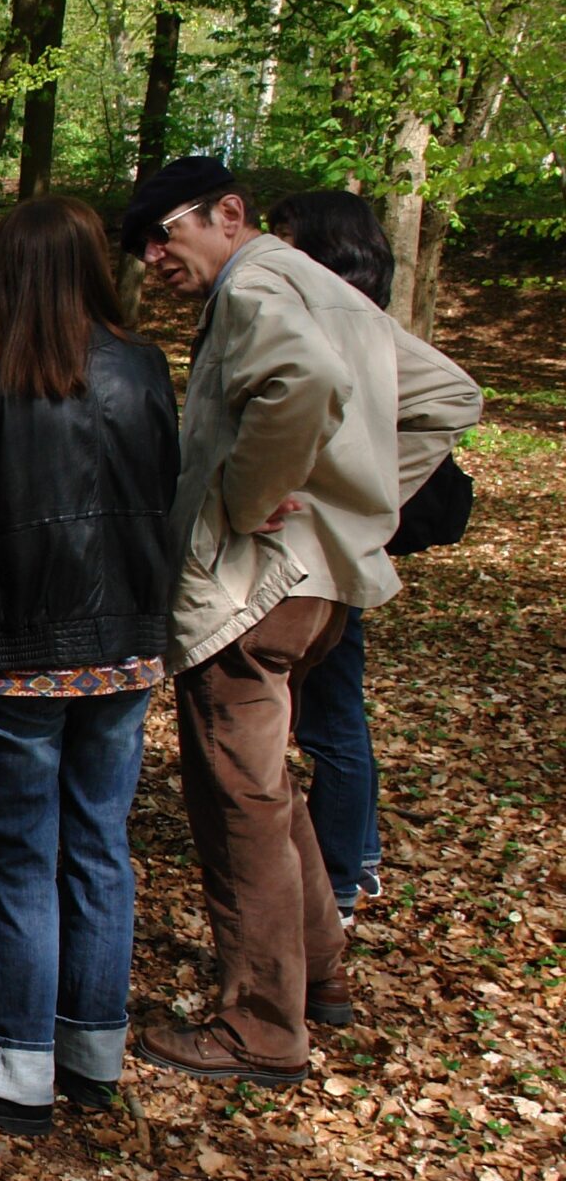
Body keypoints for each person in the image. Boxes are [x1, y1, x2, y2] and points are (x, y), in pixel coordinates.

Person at [125, 157, 478, 1086]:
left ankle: (261, 1026)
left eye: (164, 232)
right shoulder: (315, 283)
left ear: (228, 212)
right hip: (316, 585)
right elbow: (447, 395)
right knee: (267, 788)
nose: (153, 257)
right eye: (140, 244)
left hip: (255, 592)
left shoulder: (256, 286)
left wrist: (256, 499)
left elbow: (305, 381)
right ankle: (319, 972)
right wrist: (348, 504)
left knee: (235, 801)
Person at [0, 197, 178, 1135]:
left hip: (21, 648)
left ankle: (22, 1072)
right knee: (96, 847)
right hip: (121, 644)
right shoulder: (138, 366)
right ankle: (88, 1054)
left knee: (27, 856)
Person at [266, 190, 480, 928]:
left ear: (326, 249)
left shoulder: (351, 329)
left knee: (330, 714)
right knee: (331, 707)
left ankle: (341, 878)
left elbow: (453, 400)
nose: (273, 252)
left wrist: (365, 500)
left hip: (329, 550)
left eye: (286, 237)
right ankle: (358, 853)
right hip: (322, 545)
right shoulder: (326, 321)